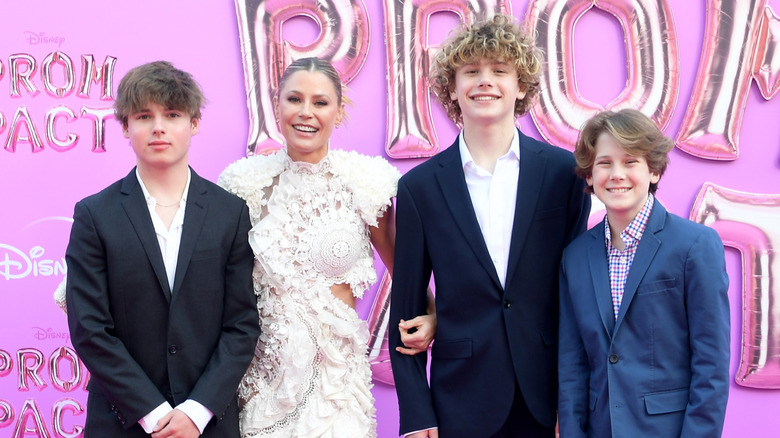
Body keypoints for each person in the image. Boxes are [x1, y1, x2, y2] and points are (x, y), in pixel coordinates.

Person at [389, 14, 591, 438]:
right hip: (459, 402)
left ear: (520, 87)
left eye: (500, 71)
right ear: (452, 88)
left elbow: (575, 297)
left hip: (546, 400)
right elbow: (405, 315)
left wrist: (574, 403)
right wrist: (416, 413)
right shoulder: (418, 188)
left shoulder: (562, 173)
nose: (485, 81)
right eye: (471, 71)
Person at [218, 56, 434, 438]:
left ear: (338, 111)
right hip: (260, 392)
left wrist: (435, 317)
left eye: (320, 102)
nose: (306, 113)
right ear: (277, 103)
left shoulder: (364, 183)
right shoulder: (242, 184)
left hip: (336, 395)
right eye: (294, 99)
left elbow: (408, 271)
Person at [64, 61, 260, 437]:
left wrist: (196, 410)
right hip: (120, 421)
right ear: (125, 126)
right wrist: (152, 413)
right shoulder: (94, 215)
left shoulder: (229, 213)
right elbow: (89, 328)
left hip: (208, 423)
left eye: (172, 114)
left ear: (194, 123)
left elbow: (241, 325)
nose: (158, 127)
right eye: (143, 115)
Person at [557, 109, 730, 437]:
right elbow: (572, 365)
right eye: (605, 163)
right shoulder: (575, 257)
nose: (616, 174)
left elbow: (712, 366)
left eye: (630, 161)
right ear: (590, 175)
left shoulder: (695, 245)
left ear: (653, 171)